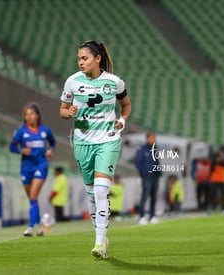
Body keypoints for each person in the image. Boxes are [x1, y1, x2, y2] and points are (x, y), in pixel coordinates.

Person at [59, 40, 131, 259]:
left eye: (85, 58)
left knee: (101, 190)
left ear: (97, 59)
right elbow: (62, 110)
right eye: (79, 58)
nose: (80, 62)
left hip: (108, 140)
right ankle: (101, 236)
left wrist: (122, 121)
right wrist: (68, 112)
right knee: (91, 193)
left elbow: (126, 105)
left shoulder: (114, 82)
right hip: (82, 141)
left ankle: (99, 242)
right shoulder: (72, 82)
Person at [10, 102, 56, 237]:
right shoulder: (21, 131)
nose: (29, 117)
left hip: (41, 165)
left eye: (31, 114)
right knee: (32, 200)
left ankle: (30, 228)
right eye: (26, 114)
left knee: (33, 196)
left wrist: (50, 151)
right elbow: (11, 147)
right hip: (26, 168)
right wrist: (20, 150)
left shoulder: (45, 130)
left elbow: (53, 143)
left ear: (37, 115)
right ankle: (40, 225)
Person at [135, 131, 162, 225]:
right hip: (146, 177)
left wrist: (159, 172)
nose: (154, 140)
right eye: (152, 138)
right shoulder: (142, 149)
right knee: (145, 196)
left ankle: (152, 216)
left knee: (154, 196)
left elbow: (157, 162)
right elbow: (138, 163)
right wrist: (144, 173)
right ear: (147, 138)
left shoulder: (155, 149)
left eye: (155, 138)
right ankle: (141, 216)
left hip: (155, 176)